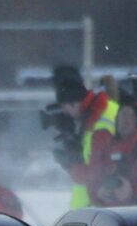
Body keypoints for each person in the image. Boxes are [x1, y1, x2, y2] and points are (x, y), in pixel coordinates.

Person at [50, 66, 118, 209]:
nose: (66, 114)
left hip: (98, 205)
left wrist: (70, 164)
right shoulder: (100, 112)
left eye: (65, 108)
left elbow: (96, 174)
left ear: (74, 103)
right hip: (97, 203)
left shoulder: (99, 125)